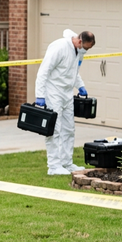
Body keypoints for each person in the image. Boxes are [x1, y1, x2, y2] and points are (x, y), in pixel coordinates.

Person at [35, 29, 96, 175]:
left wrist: (80, 86)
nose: (86, 51)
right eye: (86, 47)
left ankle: (66, 163)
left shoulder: (79, 51)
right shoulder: (59, 47)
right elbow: (44, 71)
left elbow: (73, 71)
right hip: (53, 92)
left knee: (69, 129)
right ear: (80, 41)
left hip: (67, 93)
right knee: (54, 130)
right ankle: (54, 166)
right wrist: (40, 95)